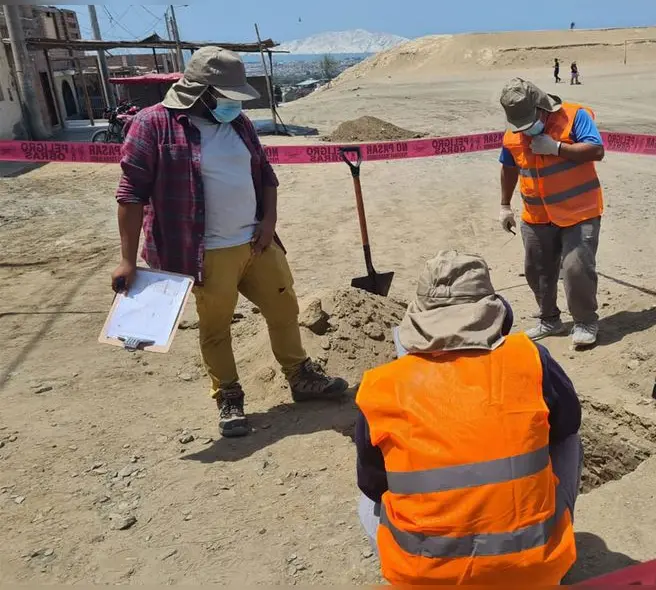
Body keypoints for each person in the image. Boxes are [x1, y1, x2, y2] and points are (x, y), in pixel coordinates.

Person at [113, 46, 347, 438]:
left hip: (256, 243)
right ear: (201, 92)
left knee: (284, 308)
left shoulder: (238, 123)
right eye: (225, 96)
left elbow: (266, 174)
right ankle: (228, 396)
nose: (233, 104)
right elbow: (131, 194)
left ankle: (301, 377)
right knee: (217, 326)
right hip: (205, 252)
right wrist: (126, 260)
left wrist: (269, 221)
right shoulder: (154, 125)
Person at [354, 251, 582, 585]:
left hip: (426, 577)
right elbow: (568, 423)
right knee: (566, 439)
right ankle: (541, 553)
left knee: (368, 497)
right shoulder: (530, 358)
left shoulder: (379, 386)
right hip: (531, 571)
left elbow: (373, 486)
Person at [498, 77, 606, 348]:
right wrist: (504, 205)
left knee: (576, 269)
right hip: (536, 216)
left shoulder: (575, 116)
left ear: (541, 107)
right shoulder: (513, 137)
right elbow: (508, 168)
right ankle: (549, 319)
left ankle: (585, 321)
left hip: (580, 212)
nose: (525, 128)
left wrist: (557, 148)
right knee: (537, 270)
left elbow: (596, 149)